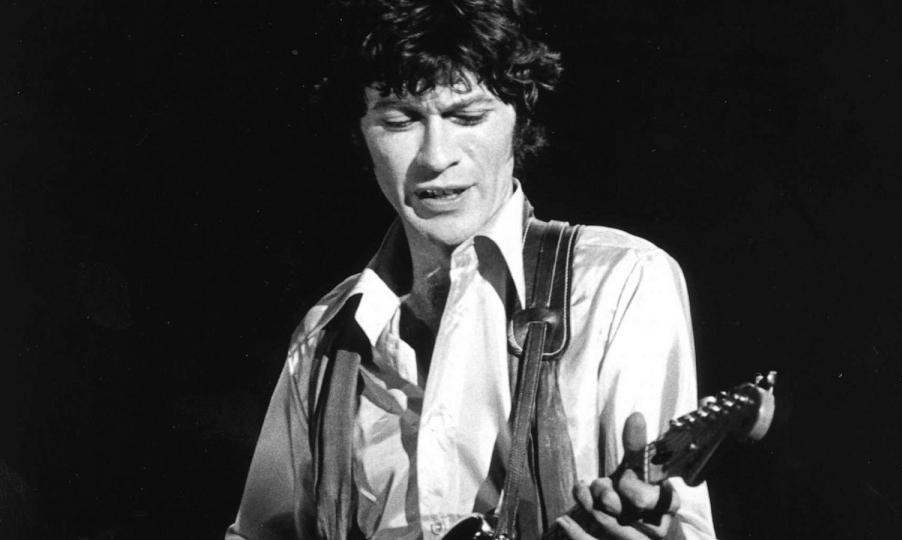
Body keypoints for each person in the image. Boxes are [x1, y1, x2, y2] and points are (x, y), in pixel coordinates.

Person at [227, 1, 715, 539]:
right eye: (399, 120)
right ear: (361, 135)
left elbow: (680, 526)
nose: (436, 156)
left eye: (467, 116)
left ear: (517, 123)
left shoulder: (620, 282)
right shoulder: (326, 335)